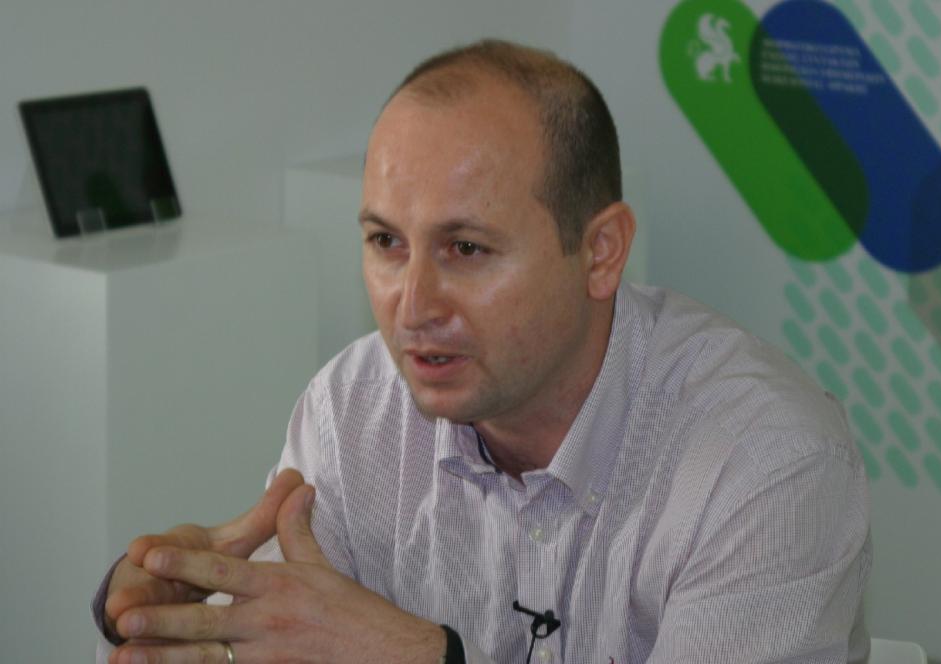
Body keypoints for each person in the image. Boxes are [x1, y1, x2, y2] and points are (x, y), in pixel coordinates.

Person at [94, 39, 872, 664]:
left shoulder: (766, 460)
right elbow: (285, 638)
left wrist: (421, 658)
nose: (413, 308)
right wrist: (176, 612)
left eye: (466, 249)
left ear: (601, 253)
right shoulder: (352, 409)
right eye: (386, 243)